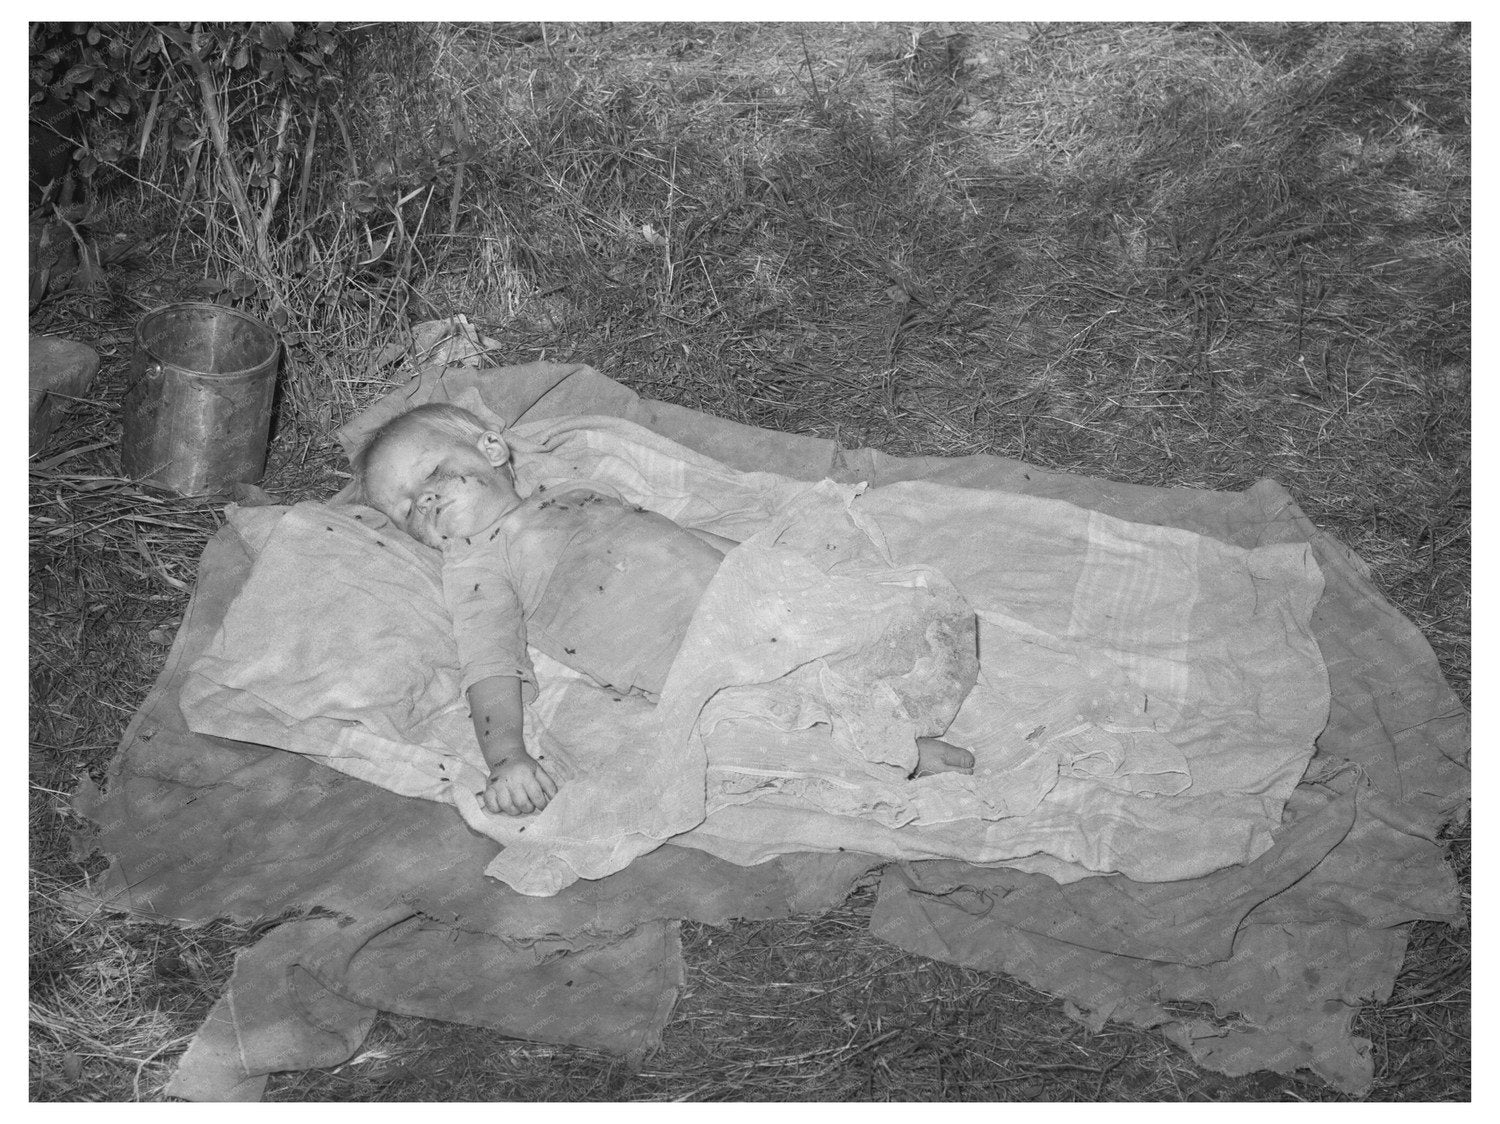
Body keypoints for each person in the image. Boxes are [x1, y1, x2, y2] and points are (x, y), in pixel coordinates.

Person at [357, 403, 975, 816]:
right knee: (765, 721)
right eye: (407, 508)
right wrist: (507, 757)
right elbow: (490, 664)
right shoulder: (476, 567)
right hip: (683, 660)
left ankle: (883, 708)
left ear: (493, 449)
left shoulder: (574, 492)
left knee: (855, 629)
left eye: (431, 475)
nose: (426, 500)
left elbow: (670, 534)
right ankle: (898, 754)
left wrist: (779, 566)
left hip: (744, 598)